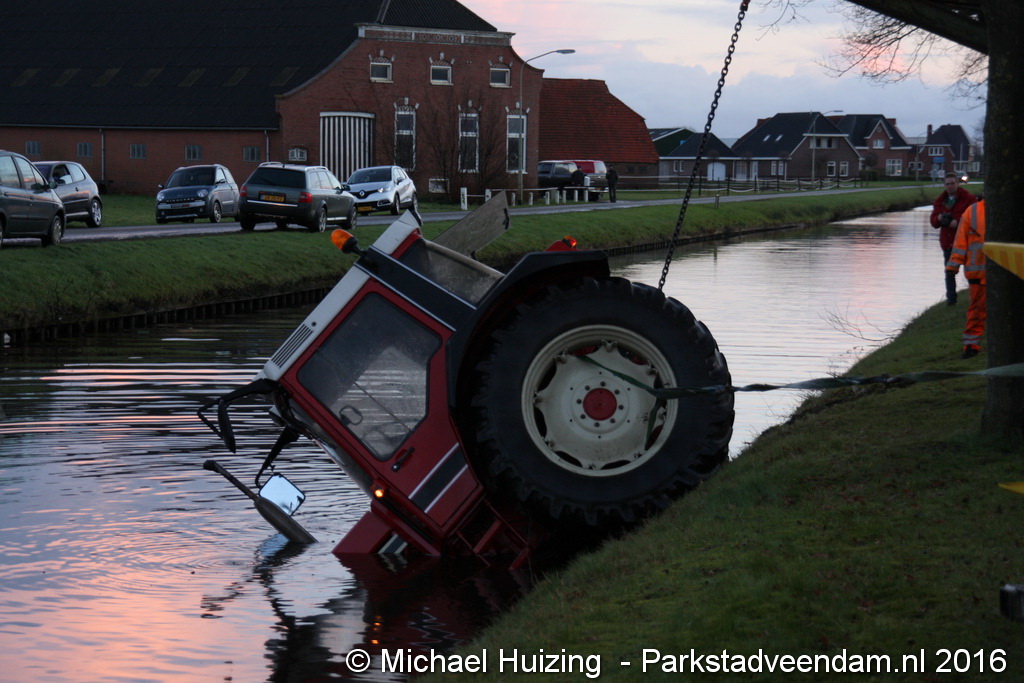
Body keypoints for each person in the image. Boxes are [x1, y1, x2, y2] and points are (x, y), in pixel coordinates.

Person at [945, 198, 986, 358]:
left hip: (994, 271)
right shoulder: (973, 211)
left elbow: (960, 241)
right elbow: (961, 241)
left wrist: (953, 266)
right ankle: (971, 346)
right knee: (976, 311)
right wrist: (952, 266)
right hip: (979, 273)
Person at [930, 172, 976, 305]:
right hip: (948, 242)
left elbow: (975, 218)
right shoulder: (940, 201)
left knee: (972, 272)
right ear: (944, 185)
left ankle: (974, 298)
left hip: (967, 242)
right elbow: (933, 223)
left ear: (957, 183)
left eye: (952, 183)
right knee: (949, 273)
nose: (950, 186)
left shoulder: (969, 199)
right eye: (947, 184)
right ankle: (951, 300)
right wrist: (938, 218)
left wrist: (959, 222)